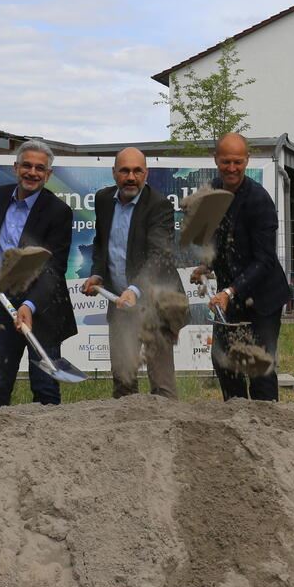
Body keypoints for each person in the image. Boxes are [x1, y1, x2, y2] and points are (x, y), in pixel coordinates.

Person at [0, 139, 76, 408]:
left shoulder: (59, 212)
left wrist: (30, 305)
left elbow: (55, 269)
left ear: (48, 174)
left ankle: (48, 446)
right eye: (26, 166)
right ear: (15, 167)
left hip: (40, 307)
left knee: (44, 387)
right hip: (1, 303)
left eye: (39, 168)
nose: (32, 172)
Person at [191, 132, 290, 401]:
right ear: (216, 160)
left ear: (246, 160)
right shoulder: (212, 191)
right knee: (224, 361)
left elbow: (264, 260)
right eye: (225, 162)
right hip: (230, 297)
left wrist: (229, 291)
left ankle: (265, 427)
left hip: (263, 298)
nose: (231, 168)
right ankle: (234, 415)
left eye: (237, 162)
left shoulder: (259, 201)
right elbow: (217, 239)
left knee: (258, 367)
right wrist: (206, 265)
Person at [81, 147, 182, 399]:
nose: (131, 177)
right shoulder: (104, 200)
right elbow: (102, 243)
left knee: (162, 387)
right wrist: (97, 274)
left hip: (156, 305)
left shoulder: (159, 206)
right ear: (114, 173)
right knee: (123, 383)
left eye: (137, 171)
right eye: (124, 170)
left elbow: (159, 257)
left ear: (146, 173)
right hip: (120, 304)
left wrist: (135, 290)